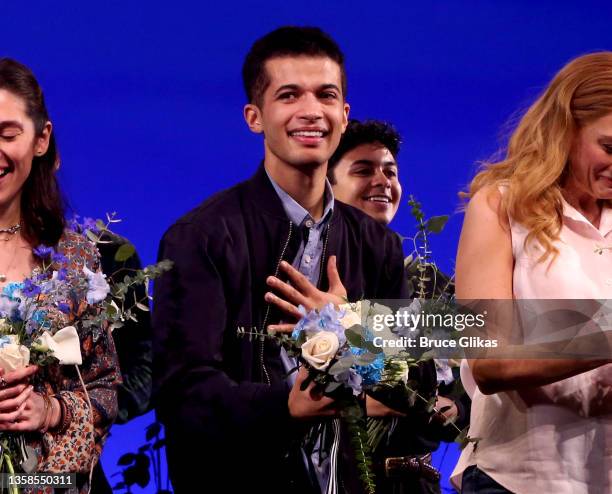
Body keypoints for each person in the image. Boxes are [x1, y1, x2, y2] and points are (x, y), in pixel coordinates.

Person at [152, 27, 407, 493]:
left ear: (344, 115)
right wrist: (286, 404)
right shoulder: (200, 237)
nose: (311, 111)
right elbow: (182, 394)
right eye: (289, 95)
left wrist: (350, 330)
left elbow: (411, 388)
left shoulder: (379, 246)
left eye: (326, 95)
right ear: (255, 117)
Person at [450, 52, 612, 493]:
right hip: (519, 480)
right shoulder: (501, 206)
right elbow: (491, 359)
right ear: (566, 127)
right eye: (609, 147)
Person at [327, 119, 469, 494]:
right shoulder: (306, 272)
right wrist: (357, 403)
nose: (382, 181)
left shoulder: (431, 284)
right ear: (326, 183)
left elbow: (476, 376)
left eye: (390, 171)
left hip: (416, 483)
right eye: (363, 170)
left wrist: (456, 407)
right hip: (334, 479)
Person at [0, 58, 119, 491]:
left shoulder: (73, 257)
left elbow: (104, 391)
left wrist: (49, 411)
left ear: (40, 139)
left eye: (7, 134)